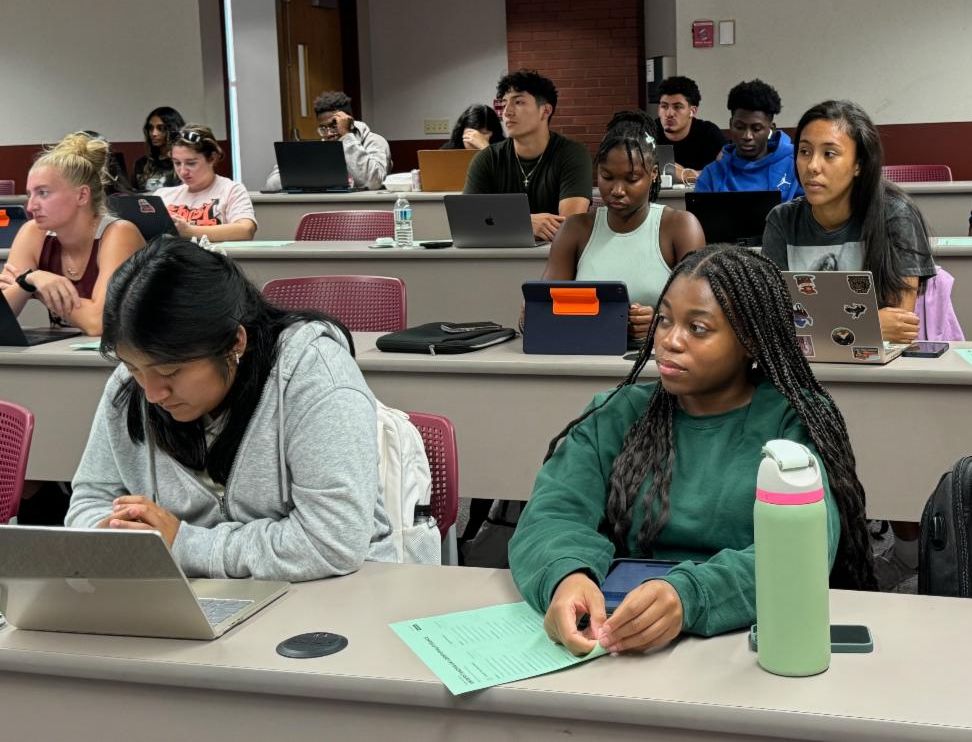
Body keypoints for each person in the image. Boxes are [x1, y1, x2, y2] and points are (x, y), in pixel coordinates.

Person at [509, 245, 876, 656]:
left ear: (750, 340)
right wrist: (567, 576)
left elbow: (800, 553)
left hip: (750, 644)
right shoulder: (615, 413)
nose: (669, 340)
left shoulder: (792, 421)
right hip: (617, 636)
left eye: (697, 328)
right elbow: (551, 514)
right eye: (664, 320)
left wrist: (688, 595)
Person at [64, 237, 396, 581]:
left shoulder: (314, 375)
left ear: (235, 343)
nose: (151, 393)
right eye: (133, 368)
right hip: (192, 597)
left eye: (169, 371)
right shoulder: (129, 386)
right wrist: (116, 531)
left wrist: (183, 543)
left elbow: (332, 542)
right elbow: (91, 499)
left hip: (333, 593)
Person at [761, 100, 936, 344]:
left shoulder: (896, 215)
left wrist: (813, 324)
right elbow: (771, 319)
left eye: (829, 154)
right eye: (804, 151)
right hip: (805, 366)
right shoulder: (782, 220)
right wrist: (868, 324)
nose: (812, 166)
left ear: (859, 164)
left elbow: (899, 325)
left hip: (880, 369)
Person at [539, 111, 705, 339]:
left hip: (660, 359)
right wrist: (530, 315)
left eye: (631, 179)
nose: (617, 190)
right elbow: (546, 304)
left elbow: (701, 312)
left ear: (654, 174)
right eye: (607, 176)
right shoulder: (575, 229)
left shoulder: (681, 227)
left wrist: (661, 322)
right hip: (586, 352)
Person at [0, 132, 144, 335]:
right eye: (30, 194)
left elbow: (98, 322)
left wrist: (36, 287)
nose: (31, 206)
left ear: (82, 195)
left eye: (43, 193)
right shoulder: (33, 233)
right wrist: (31, 280)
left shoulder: (119, 234)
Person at [464, 70, 593, 242]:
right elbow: (468, 222)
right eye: (504, 104)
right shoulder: (487, 159)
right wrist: (525, 223)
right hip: (498, 259)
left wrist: (499, 223)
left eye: (518, 102)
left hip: (554, 258)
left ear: (545, 111)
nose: (506, 112)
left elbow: (568, 225)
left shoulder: (572, 154)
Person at [695, 79, 803, 201]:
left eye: (756, 129)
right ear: (731, 125)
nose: (747, 136)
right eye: (740, 127)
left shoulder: (796, 166)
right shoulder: (711, 174)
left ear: (770, 129)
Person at [264, 91, 392, 191]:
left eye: (334, 125)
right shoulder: (320, 147)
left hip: (363, 212)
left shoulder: (374, 141)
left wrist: (346, 135)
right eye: (323, 128)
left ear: (350, 122)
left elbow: (373, 182)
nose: (329, 133)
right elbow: (271, 185)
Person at [156, 125, 258, 242]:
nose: (183, 171)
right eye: (177, 163)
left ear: (212, 158)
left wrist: (189, 231)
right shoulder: (163, 195)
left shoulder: (230, 190)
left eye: (191, 163)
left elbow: (246, 230)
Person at [653, 76, 726, 184]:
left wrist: (686, 175)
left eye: (677, 107)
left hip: (700, 197)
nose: (669, 114)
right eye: (664, 106)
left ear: (692, 111)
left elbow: (725, 172)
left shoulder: (708, 133)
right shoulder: (648, 132)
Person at [133, 106, 185, 192]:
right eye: (150, 128)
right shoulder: (142, 163)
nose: (154, 133)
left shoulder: (182, 162)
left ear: (172, 130)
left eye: (160, 128)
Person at [440, 104, 505, 150]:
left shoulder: (505, 148)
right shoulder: (448, 150)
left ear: (493, 134)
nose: (475, 138)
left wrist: (485, 148)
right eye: (471, 132)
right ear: (462, 131)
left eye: (483, 133)